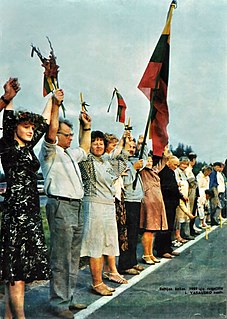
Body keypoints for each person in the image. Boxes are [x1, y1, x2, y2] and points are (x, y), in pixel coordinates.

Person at [0, 78, 52, 319]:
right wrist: (9, 99)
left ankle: (9, 316)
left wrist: (53, 98)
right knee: (16, 273)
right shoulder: (7, 147)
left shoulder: (29, 150)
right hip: (16, 217)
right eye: (26, 127)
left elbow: (44, 122)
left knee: (20, 271)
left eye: (32, 128)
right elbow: (8, 118)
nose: (31, 130)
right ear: (14, 130)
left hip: (30, 216)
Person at [39, 93, 91, 319]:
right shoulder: (49, 152)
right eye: (67, 135)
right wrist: (56, 106)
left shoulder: (70, 153)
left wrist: (86, 128)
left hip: (76, 207)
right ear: (56, 135)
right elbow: (50, 132)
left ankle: (67, 298)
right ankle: (58, 302)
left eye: (72, 135)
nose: (71, 138)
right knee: (61, 257)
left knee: (72, 256)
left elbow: (85, 149)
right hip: (60, 205)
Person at [79, 130, 128, 296]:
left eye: (101, 142)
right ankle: (97, 283)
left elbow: (121, 159)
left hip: (108, 206)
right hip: (94, 206)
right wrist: (84, 127)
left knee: (108, 244)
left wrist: (125, 141)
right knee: (95, 246)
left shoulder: (107, 161)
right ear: (89, 144)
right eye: (94, 142)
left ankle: (107, 274)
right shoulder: (86, 160)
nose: (98, 145)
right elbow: (82, 143)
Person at [117, 136, 146, 276]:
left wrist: (143, 144)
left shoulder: (133, 161)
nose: (132, 149)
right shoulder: (122, 162)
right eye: (129, 146)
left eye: (134, 147)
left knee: (134, 234)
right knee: (127, 234)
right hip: (128, 201)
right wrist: (134, 169)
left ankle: (132, 261)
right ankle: (124, 264)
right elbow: (126, 181)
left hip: (136, 201)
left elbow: (144, 161)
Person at [139, 148, 170, 265]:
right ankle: (146, 254)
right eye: (147, 161)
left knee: (153, 231)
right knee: (148, 230)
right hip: (148, 202)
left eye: (151, 161)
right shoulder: (142, 171)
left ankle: (150, 253)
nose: (150, 163)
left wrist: (165, 149)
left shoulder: (154, 171)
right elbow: (140, 156)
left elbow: (164, 160)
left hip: (156, 203)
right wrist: (142, 145)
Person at [154, 156, 185, 258]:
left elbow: (173, 187)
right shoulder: (164, 172)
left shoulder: (171, 172)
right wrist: (177, 193)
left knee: (170, 227)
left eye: (177, 165)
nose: (176, 167)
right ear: (168, 162)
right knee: (164, 227)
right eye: (175, 164)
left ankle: (168, 248)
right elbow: (167, 187)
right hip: (166, 203)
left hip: (172, 203)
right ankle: (161, 250)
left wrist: (179, 194)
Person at [174, 157, 195, 242]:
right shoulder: (176, 172)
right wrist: (181, 195)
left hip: (186, 196)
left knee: (185, 216)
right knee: (178, 218)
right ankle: (177, 236)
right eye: (183, 164)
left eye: (186, 164)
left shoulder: (184, 173)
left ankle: (185, 234)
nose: (184, 166)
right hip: (180, 196)